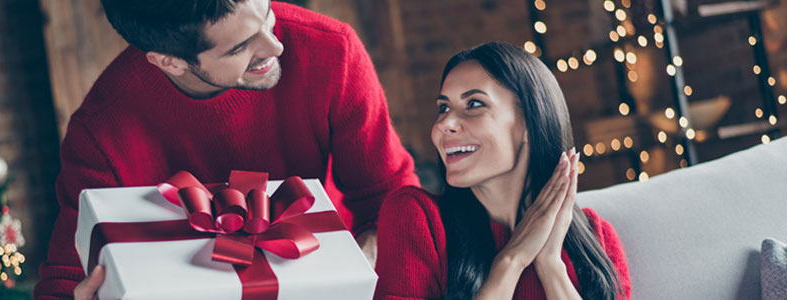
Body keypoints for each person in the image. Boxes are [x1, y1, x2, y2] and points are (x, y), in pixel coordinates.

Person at [33, 0, 419, 299]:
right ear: (170, 61)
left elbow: (394, 201)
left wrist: (357, 273)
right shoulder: (101, 131)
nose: (277, 45)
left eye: (266, 11)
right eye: (241, 47)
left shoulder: (333, 52)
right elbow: (68, 276)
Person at [374, 42, 631, 300]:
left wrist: (551, 264)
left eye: (474, 104)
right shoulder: (415, 218)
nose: (445, 124)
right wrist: (511, 261)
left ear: (531, 121)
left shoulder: (597, 239)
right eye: (443, 107)